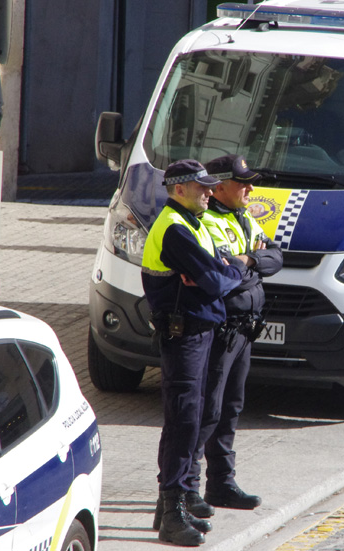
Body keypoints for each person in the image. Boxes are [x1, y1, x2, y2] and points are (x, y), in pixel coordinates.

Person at [143, 159, 242, 546]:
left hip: (197, 332)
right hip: (183, 335)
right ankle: (171, 514)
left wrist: (224, 270)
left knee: (187, 418)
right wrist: (226, 271)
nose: (209, 192)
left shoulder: (191, 223)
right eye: (202, 187)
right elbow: (217, 282)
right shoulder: (175, 229)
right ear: (179, 189)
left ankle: (174, 504)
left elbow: (218, 275)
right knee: (184, 420)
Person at [190, 154, 283, 510]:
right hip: (221, 330)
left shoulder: (244, 218)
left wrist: (250, 260)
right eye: (243, 183)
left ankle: (221, 484)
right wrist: (247, 266)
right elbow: (225, 276)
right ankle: (186, 488)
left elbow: (277, 257)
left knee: (231, 408)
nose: (251, 189)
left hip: (244, 330)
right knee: (208, 410)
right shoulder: (209, 221)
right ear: (219, 187)